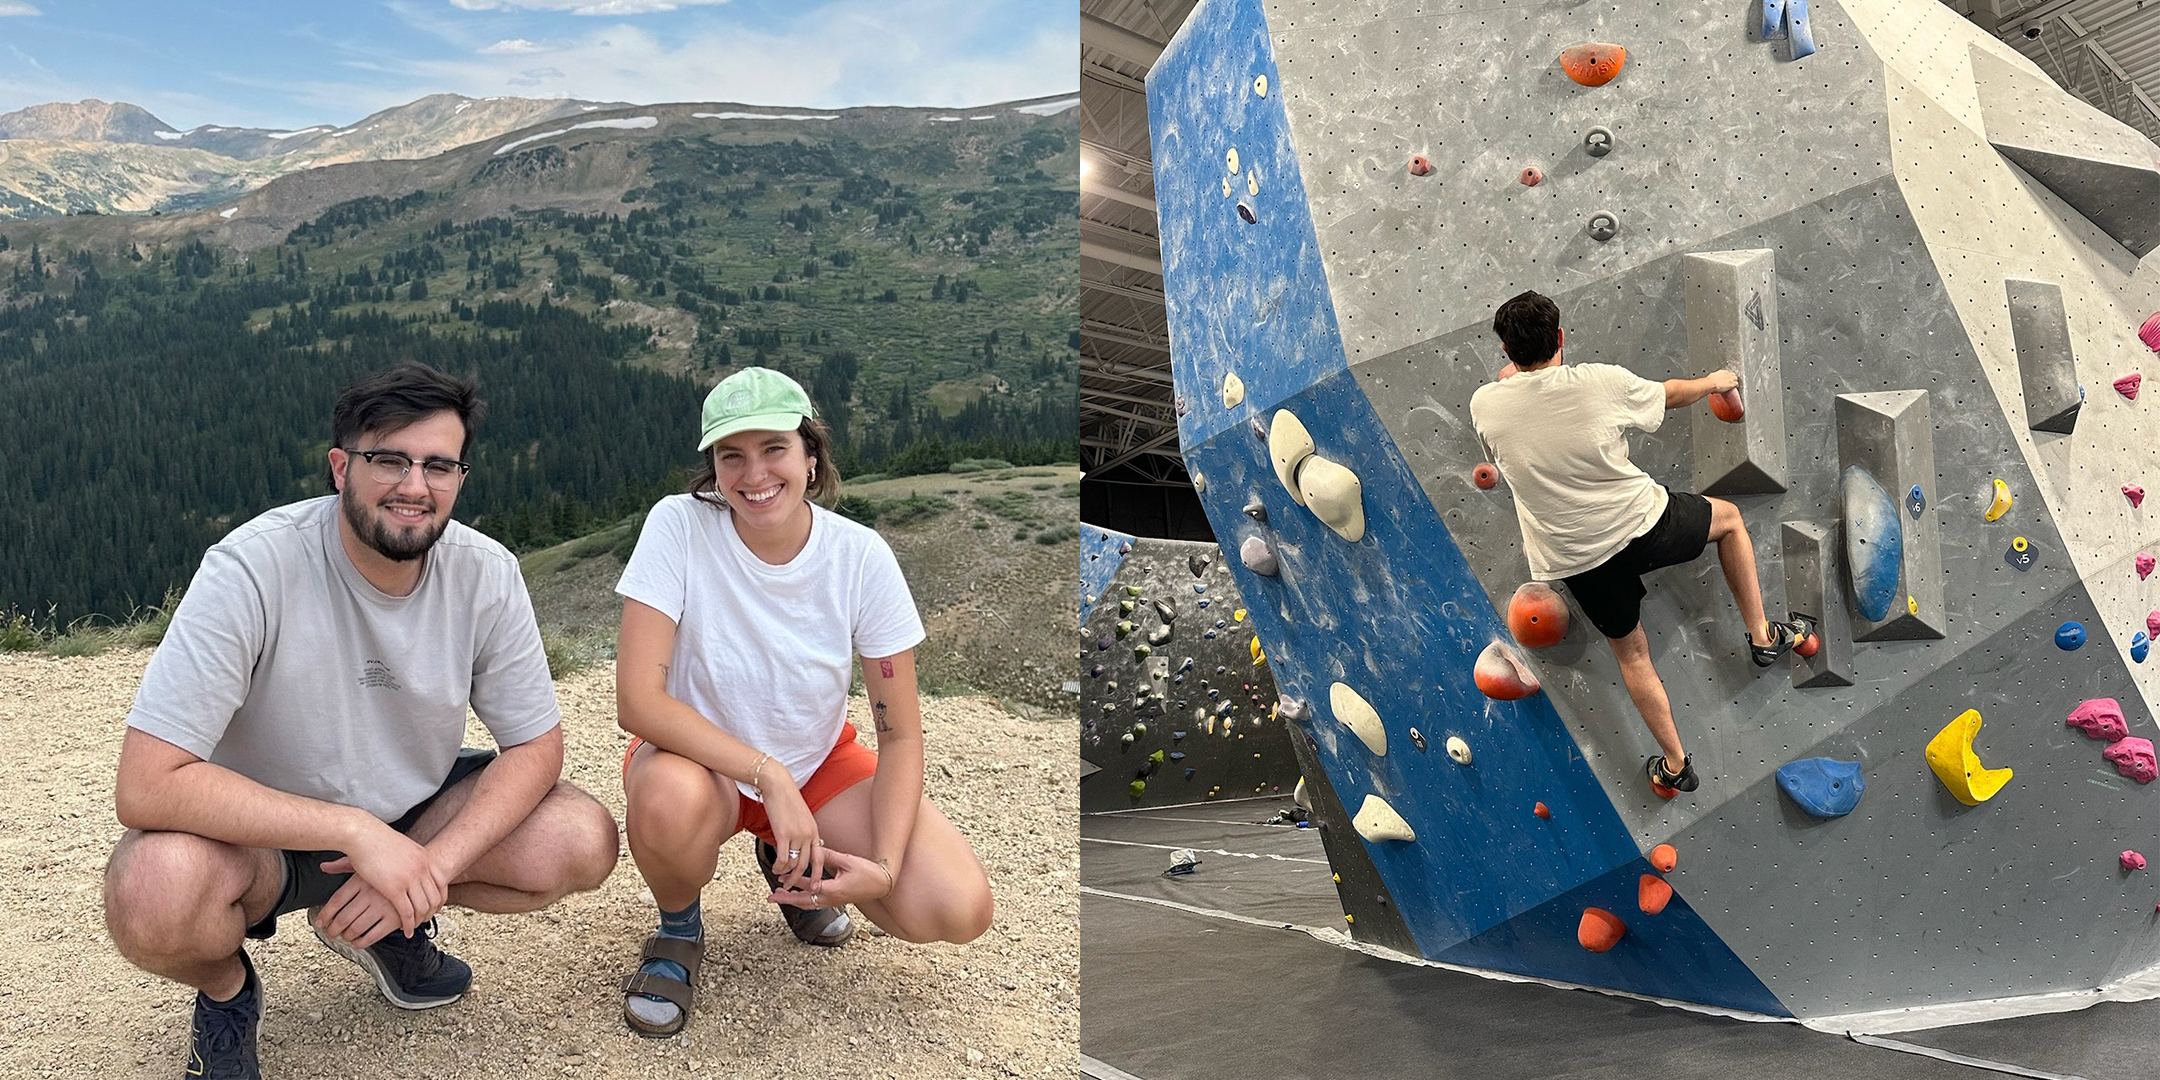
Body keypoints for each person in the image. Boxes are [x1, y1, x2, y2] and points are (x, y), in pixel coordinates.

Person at [103, 363, 620, 1080]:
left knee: (579, 840)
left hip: (414, 817)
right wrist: (354, 832)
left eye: (439, 465)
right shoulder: (251, 568)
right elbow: (148, 785)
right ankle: (226, 993)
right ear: (341, 467)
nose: (415, 486)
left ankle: (393, 922)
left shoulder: (486, 572)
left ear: (460, 479)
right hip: (261, 839)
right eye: (389, 460)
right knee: (151, 893)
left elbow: (535, 744)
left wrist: (425, 868)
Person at [613, 366, 993, 1037]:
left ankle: (787, 860)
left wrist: (884, 868)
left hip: (818, 765)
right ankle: (677, 931)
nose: (754, 474)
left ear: (811, 457)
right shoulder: (677, 526)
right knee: (668, 801)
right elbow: (639, 703)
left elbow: (900, 734)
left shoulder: (861, 558)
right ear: (714, 469)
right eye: (732, 456)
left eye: (775, 450)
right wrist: (767, 773)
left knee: (957, 908)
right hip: (700, 766)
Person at [1470, 291, 1805, 795]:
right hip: (1642, 524)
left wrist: (1517, 383)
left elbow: (1514, 409)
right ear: (1561, 338)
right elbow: (1670, 393)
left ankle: (1674, 764)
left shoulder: (1486, 406)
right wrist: (1716, 382)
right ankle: (1762, 636)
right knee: (1731, 521)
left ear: (1504, 352)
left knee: (1633, 656)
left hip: (1576, 557)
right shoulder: (1601, 382)